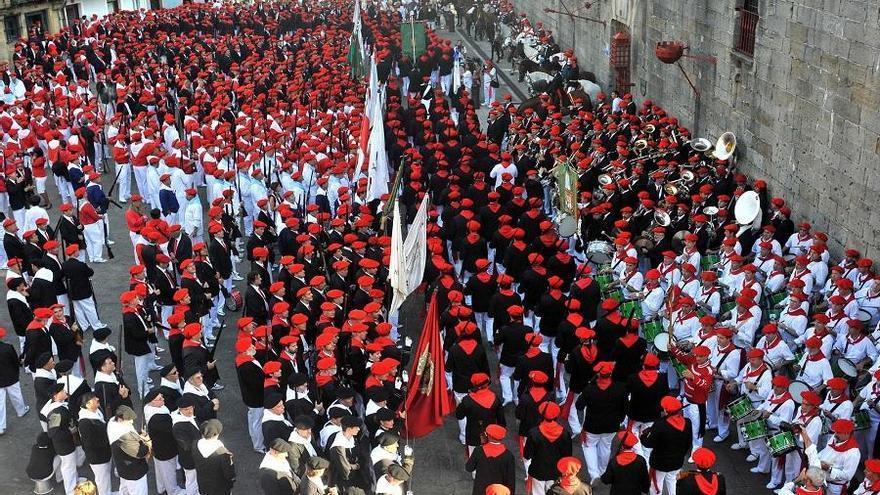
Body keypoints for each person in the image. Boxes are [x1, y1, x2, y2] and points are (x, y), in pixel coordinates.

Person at [641, 396, 693, 495]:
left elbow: (648, 443)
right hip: (677, 461)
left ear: (666, 410)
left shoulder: (660, 424)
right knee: (672, 481)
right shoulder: (687, 422)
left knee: (656, 486)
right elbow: (688, 443)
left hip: (660, 463)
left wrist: (643, 436)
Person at [144, 390, 182, 495]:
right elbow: (170, 427)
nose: (163, 399)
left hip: (158, 447)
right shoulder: (157, 417)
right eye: (160, 399)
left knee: (160, 471)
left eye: (162, 397)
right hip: (166, 448)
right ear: (152, 402)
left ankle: (161, 488)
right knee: (169, 472)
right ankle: (173, 491)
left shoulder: (151, 410)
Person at [108, 405, 151, 495]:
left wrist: (138, 435)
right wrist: (146, 441)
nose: (131, 421)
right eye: (128, 419)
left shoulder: (112, 422)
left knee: (124, 490)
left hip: (123, 468)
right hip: (134, 471)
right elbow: (140, 452)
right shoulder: (124, 435)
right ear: (120, 419)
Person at [465, 424, 516, 495]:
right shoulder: (509, 456)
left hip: (480, 490)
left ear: (489, 436)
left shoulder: (478, 451)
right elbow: (511, 480)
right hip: (498, 491)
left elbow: (469, 468)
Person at [78, 393, 113, 495]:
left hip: (104, 453)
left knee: (106, 476)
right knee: (102, 479)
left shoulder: (96, 411)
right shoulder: (85, 423)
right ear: (88, 404)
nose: (97, 399)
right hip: (97, 456)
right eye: (94, 399)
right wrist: (107, 439)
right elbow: (89, 443)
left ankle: (108, 492)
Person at [193, 419, 236, 495]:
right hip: (220, 488)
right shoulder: (222, 453)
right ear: (217, 433)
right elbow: (229, 474)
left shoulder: (195, 444)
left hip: (203, 484)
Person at [600, 431, 649, 495]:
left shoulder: (614, 461)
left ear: (622, 446)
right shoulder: (641, 460)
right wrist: (645, 489)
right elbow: (645, 479)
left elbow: (606, 480)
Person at [0, 325, 29, 434]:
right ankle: (21, 411)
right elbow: (15, 362)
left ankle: (1, 426)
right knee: (16, 396)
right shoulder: (8, 347)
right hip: (11, 377)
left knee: (0, 404)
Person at [172, 395, 201, 495]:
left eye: (190, 408)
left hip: (195, 457)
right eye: (186, 409)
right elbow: (186, 445)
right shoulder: (178, 426)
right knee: (192, 482)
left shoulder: (189, 417)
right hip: (189, 459)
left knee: (196, 481)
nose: (189, 411)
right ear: (180, 410)